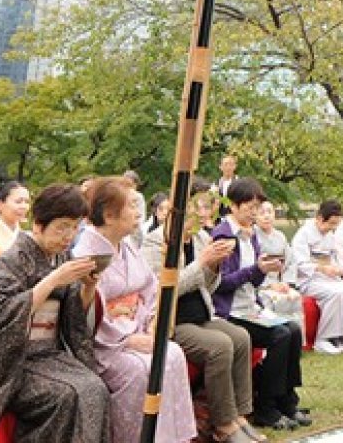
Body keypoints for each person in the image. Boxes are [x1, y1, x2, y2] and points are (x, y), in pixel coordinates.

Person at [0, 183, 108, 443]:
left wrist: (89, 287)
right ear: (39, 224)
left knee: (96, 388)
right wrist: (52, 281)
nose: (69, 235)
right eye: (62, 227)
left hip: (48, 355)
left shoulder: (62, 258)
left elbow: (73, 318)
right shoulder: (13, 260)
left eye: (75, 227)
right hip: (7, 362)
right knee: (65, 395)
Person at [72, 177, 196, 443]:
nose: (138, 212)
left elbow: (150, 288)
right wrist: (126, 338)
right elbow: (88, 308)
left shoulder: (127, 245)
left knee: (172, 354)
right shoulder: (86, 251)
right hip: (104, 344)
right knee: (137, 370)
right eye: (130, 205)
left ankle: (172, 439)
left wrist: (152, 324)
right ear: (108, 214)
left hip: (138, 329)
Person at [144, 190, 264, 443]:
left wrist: (215, 265)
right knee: (219, 346)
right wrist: (201, 264)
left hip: (201, 314)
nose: (200, 217)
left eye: (202, 211)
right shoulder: (156, 242)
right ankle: (223, 425)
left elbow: (208, 287)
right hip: (172, 321)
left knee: (241, 337)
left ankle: (241, 415)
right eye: (194, 211)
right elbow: (163, 289)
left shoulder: (200, 237)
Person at [211, 178, 309, 430]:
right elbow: (220, 284)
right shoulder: (223, 236)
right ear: (233, 206)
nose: (254, 213)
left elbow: (252, 281)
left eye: (257, 207)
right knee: (279, 336)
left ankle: (287, 400)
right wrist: (255, 268)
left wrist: (263, 269)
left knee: (294, 330)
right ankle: (266, 406)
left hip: (250, 307)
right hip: (229, 312)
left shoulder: (250, 234)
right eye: (249, 207)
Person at [290, 200, 343, 354]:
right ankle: (323, 339)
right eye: (330, 224)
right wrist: (322, 268)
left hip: (327, 277)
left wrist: (337, 268)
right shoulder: (303, 235)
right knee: (335, 294)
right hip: (308, 279)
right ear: (319, 218)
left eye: (335, 225)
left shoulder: (330, 234)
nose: (332, 228)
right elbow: (299, 263)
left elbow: (334, 257)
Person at [252, 201, 302, 325]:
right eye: (262, 213)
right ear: (255, 216)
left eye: (270, 212)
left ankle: (296, 340)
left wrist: (285, 282)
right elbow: (250, 266)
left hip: (279, 282)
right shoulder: (252, 236)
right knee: (269, 299)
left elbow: (290, 262)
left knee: (294, 297)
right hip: (260, 285)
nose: (266, 216)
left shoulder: (280, 236)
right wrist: (269, 285)